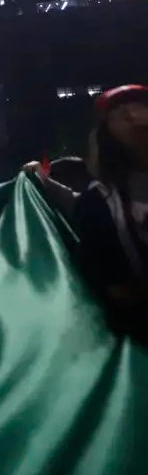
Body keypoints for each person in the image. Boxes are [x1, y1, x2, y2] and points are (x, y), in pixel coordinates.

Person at [72, 84, 148, 316]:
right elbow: (117, 290)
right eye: (120, 111)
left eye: (140, 105)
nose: (131, 114)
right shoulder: (99, 202)